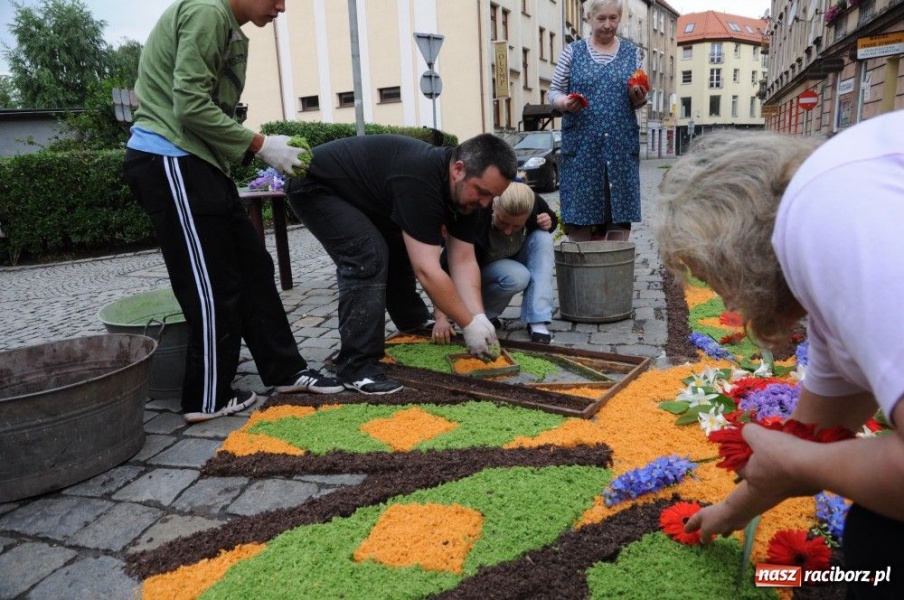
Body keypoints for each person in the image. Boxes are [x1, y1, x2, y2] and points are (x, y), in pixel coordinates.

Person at [656, 111, 904, 599]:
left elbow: (808, 453)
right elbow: (818, 431)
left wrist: (802, 464)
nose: (726, 304)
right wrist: (730, 512)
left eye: (711, 277)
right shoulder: (827, 218)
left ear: (733, 247)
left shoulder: (827, 225)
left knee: (879, 543)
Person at [122, 0, 344, 424]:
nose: (281, 6)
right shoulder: (207, 12)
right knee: (211, 283)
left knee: (254, 270)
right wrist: (261, 145)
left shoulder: (228, 25)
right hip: (170, 157)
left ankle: (286, 371)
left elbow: (209, 109)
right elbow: (188, 105)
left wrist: (251, 147)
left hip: (200, 161)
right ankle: (206, 398)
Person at [286, 134, 517, 395]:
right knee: (367, 255)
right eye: (483, 192)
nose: (485, 203)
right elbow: (427, 270)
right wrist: (467, 324)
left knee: (399, 244)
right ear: (458, 170)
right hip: (315, 187)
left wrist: (478, 317)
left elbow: (463, 260)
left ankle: (411, 320)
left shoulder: (471, 194)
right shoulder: (420, 180)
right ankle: (355, 365)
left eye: (492, 196)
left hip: (370, 198)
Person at [548, 0, 647, 242]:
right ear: (589, 18)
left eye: (613, 18)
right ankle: (583, 277)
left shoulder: (633, 54)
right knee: (580, 219)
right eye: (601, 18)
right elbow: (553, 92)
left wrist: (639, 97)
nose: (607, 24)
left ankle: (615, 274)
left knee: (619, 218)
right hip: (582, 151)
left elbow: (641, 98)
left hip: (620, 151)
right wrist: (564, 103)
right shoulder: (572, 52)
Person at [432, 181, 557, 344]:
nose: (507, 231)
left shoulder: (533, 203)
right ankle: (477, 316)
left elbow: (551, 218)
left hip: (512, 258)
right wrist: (441, 317)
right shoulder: (477, 213)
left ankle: (537, 319)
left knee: (543, 237)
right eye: (503, 221)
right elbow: (445, 268)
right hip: (480, 271)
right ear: (495, 206)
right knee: (518, 276)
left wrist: (549, 221)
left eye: (516, 226)